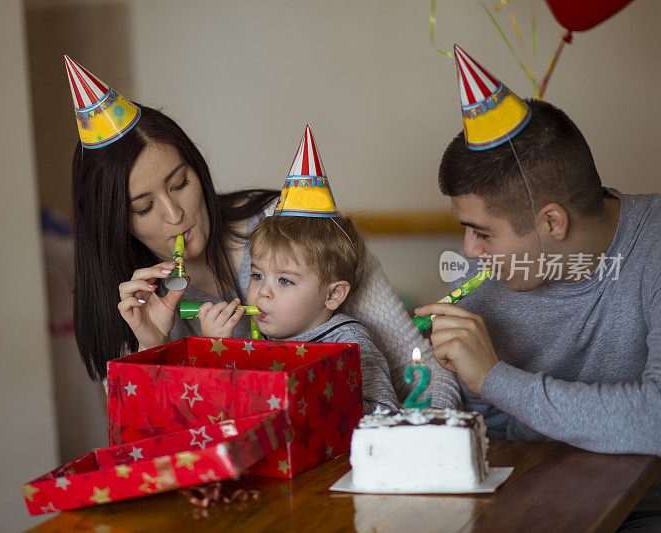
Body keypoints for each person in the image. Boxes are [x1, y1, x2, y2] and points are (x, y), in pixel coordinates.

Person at [63, 56, 459, 408]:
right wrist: (154, 347)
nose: (174, 214)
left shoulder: (292, 227)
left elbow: (416, 365)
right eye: (144, 207)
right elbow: (152, 435)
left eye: (180, 183)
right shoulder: (124, 302)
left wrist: (434, 449)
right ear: (114, 223)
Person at [416, 46, 661, 456]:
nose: (469, 252)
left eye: (483, 233)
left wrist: (494, 378)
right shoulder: (479, 283)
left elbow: (654, 421)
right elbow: (488, 437)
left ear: (552, 223)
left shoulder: (652, 246)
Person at [196, 130, 399, 413]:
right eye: (257, 275)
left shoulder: (347, 344)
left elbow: (384, 410)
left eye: (284, 280)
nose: (263, 292)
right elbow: (230, 406)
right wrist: (218, 350)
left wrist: (316, 403)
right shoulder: (256, 340)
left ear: (333, 295)